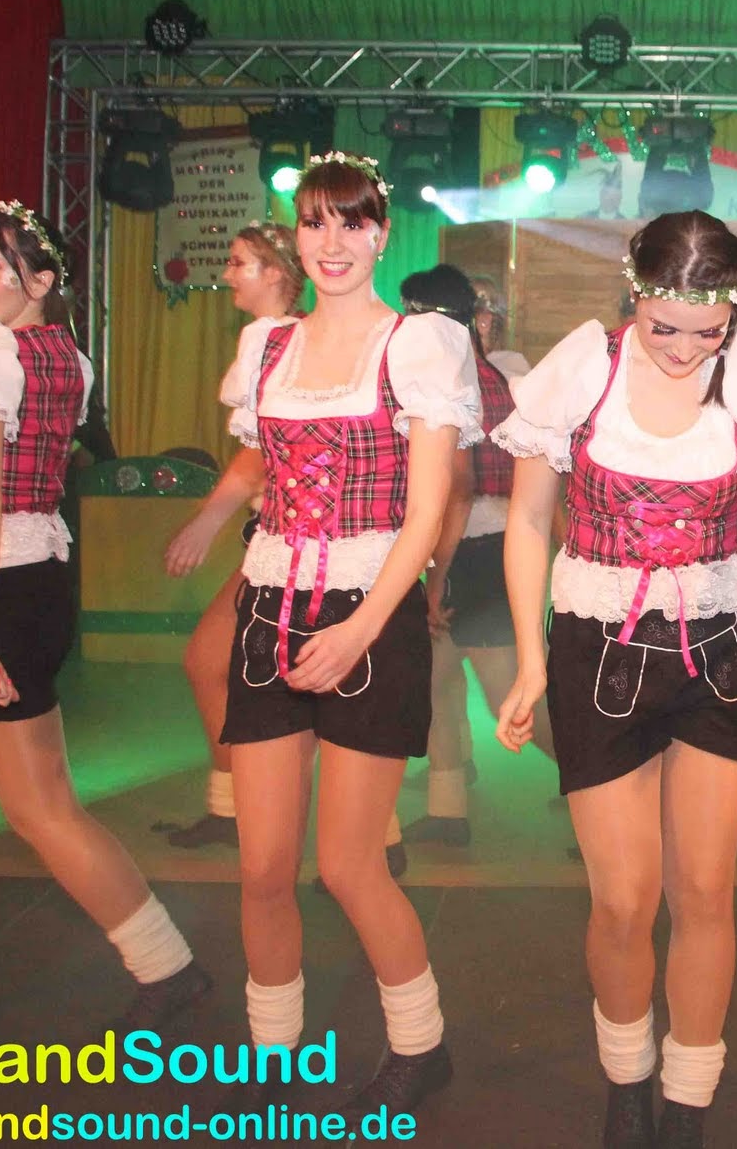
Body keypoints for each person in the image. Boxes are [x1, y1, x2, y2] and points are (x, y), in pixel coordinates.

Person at [492, 211, 737, 1147]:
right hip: (599, 650)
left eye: (709, 330)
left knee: (703, 889)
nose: (687, 349)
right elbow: (529, 521)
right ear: (635, 294)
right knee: (623, 900)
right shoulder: (584, 367)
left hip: (721, 652)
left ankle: (689, 1100)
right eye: (666, 327)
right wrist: (531, 659)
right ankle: (627, 1080)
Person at [0, 201, 211, 1033]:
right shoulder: (63, 353)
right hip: (17, 583)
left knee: (41, 808)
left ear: (38, 281)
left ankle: (168, 966)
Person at [218, 152, 479, 1113]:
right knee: (261, 865)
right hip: (271, 604)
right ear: (298, 234)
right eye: (315, 222)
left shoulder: (418, 345)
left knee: (348, 864)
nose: (332, 242)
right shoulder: (266, 347)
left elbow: (427, 512)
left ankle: (421, 1043)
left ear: (381, 234)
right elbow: (266, 482)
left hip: (370, 614)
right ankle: (272, 1050)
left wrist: (361, 629)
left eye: (352, 222)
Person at [159, 222, 304, 850]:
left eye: (239, 262)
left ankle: (369, 839)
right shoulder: (284, 338)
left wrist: (205, 521)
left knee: (303, 688)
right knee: (215, 665)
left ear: (275, 272)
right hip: (279, 536)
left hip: (298, 541)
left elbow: (258, 454)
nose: (226, 274)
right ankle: (231, 811)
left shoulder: (274, 339)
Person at [398, 263, 545, 846]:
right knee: (433, 680)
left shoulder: (465, 375)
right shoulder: (485, 373)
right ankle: (447, 810)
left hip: (475, 551)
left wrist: (436, 576)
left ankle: (607, 786)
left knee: (514, 700)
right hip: (480, 545)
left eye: (411, 312)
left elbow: (460, 491)